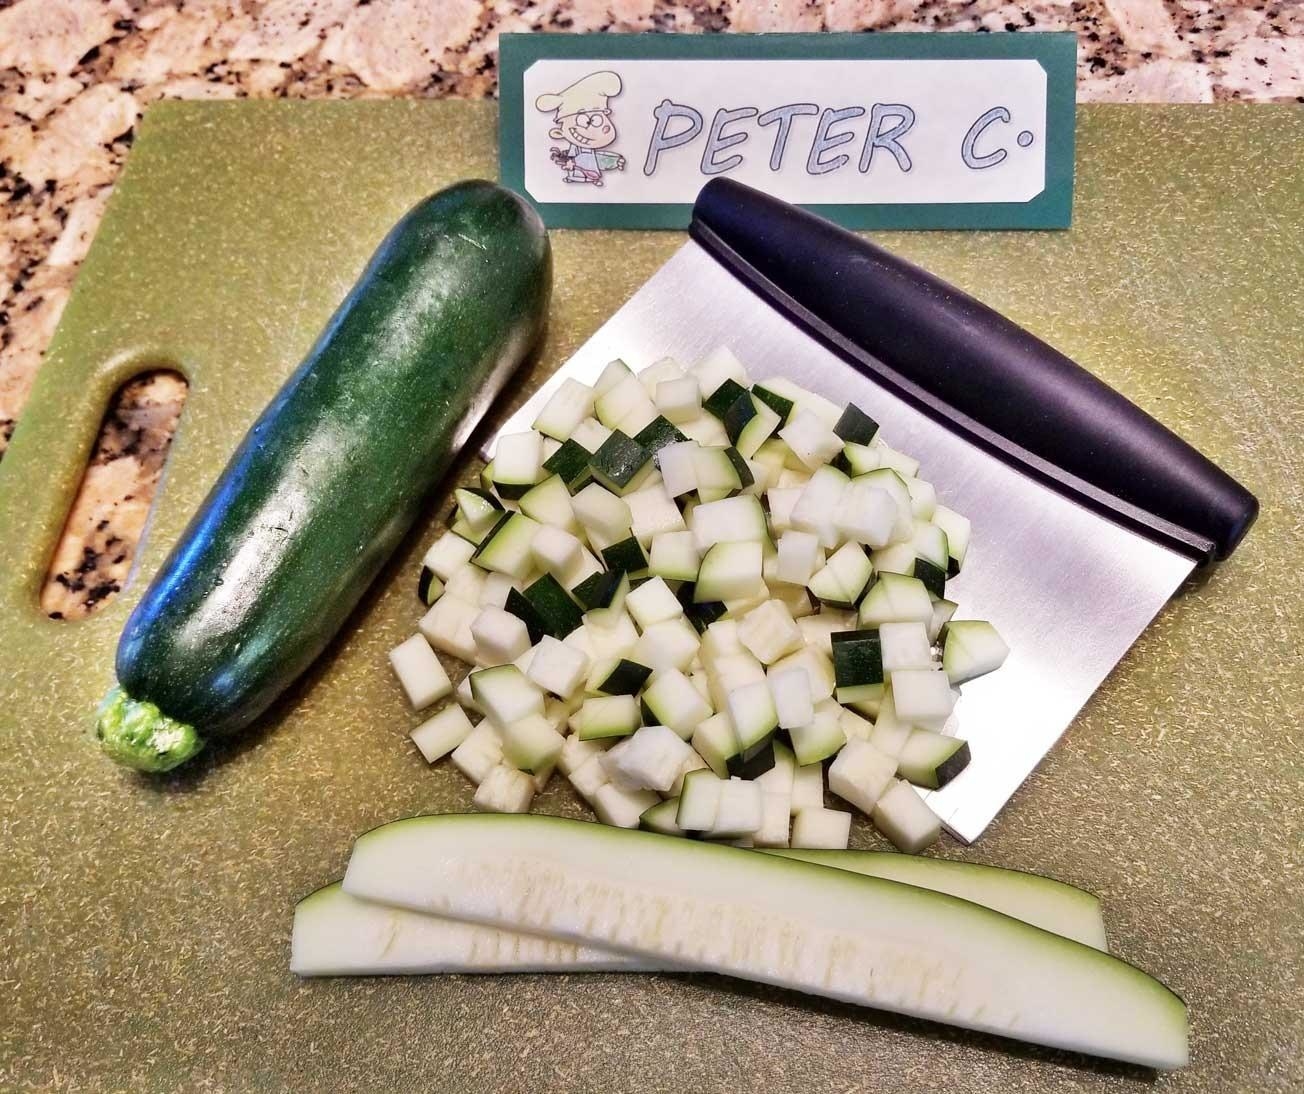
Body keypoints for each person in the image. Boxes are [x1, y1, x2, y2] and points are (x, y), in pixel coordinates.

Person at [535, 71, 627, 187]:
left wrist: (615, 162)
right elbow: (572, 156)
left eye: (597, 120)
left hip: (591, 176)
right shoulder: (574, 148)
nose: (593, 129)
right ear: (558, 132)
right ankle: (574, 178)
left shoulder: (589, 151)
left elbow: (599, 159)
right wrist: (561, 156)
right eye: (584, 121)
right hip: (574, 175)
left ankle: (592, 179)